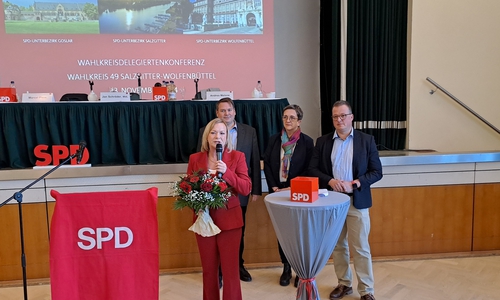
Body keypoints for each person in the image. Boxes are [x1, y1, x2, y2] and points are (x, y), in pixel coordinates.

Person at [308, 100, 382, 300]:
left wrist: (356, 183)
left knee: (360, 247)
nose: (339, 119)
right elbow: (312, 170)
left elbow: (377, 172)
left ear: (351, 117)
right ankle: (344, 283)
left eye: (343, 115)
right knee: (338, 246)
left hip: (356, 202)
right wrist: (330, 181)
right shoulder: (322, 142)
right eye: (335, 116)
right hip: (333, 202)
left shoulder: (366, 140)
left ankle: (366, 290)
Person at [197, 97, 262, 282]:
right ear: (217, 113)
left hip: (237, 192)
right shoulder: (205, 132)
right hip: (211, 195)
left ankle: (237, 265)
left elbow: (254, 162)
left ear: (235, 111)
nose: (226, 113)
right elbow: (199, 165)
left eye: (229, 110)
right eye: (222, 111)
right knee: (213, 233)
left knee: (237, 232)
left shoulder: (249, 132)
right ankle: (217, 271)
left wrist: (255, 189)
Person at [188, 118, 252, 300]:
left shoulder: (237, 156)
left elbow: (246, 188)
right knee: (209, 271)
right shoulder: (195, 159)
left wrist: (227, 173)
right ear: (207, 137)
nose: (218, 137)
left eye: (222, 133)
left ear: (227, 137)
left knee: (231, 272)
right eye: (213, 132)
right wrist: (198, 205)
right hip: (204, 222)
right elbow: (188, 188)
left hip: (230, 223)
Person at [263, 104, 314, 287]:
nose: (288, 120)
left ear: (299, 121)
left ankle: (300, 271)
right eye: (285, 117)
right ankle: (286, 268)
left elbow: (309, 169)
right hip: (278, 192)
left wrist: (292, 187)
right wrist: (274, 187)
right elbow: (267, 164)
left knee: (299, 233)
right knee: (283, 233)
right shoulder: (274, 140)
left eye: (292, 117)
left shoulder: (307, 142)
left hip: (298, 192)